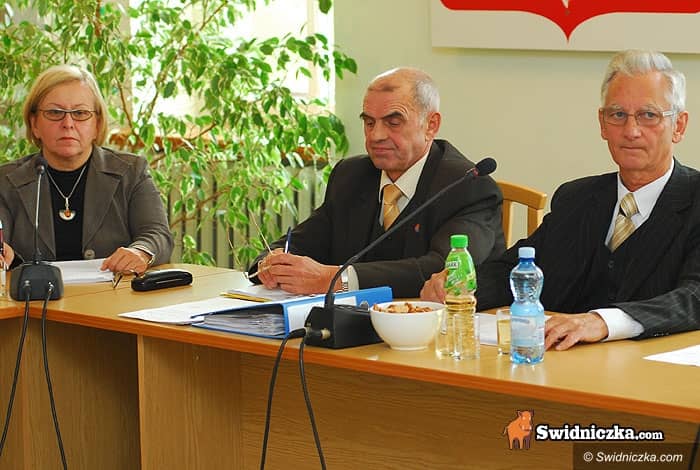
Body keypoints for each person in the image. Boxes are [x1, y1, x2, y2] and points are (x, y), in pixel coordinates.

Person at [421, 49, 700, 350]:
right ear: (602, 124)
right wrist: (464, 286)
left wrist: (603, 322)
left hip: (653, 369)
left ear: (679, 126)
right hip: (559, 364)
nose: (631, 131)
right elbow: (517, 269)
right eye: (618, 115)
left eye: (649, 115)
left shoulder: (694, 198)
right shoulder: (577, 198)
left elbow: (693, 297)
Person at [248, 67, 505, 298]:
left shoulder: (469, 187)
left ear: (431, 125)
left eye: (393, 122)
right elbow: (305, 241)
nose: (376, 135)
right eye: (369, 123)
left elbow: (442, 269)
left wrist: (335, 280)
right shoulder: (351, 175)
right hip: (353, 324)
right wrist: (272, 262)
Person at [0, 64, 173, 274]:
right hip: (32, 293)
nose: (68, 123)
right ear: (34, 123)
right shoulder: (6, 181)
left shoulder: (131, 172)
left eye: (80, 113)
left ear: (97, 124)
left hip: (112, 293)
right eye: (55, 112)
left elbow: (157, 234)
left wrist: (140, 252)